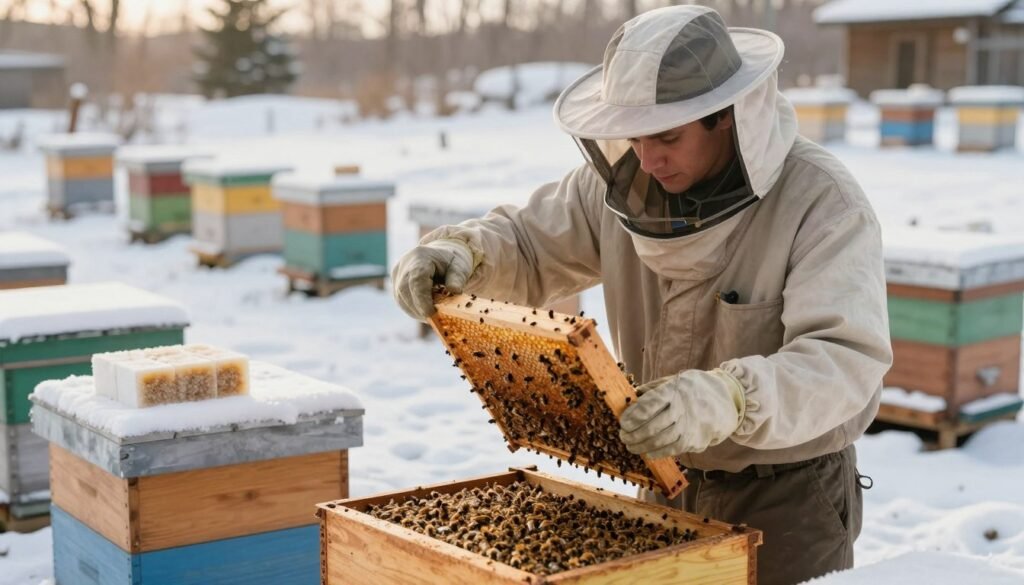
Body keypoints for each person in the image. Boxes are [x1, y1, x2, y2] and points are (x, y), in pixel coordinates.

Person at [391, 6, 892, 584]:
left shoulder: (822, 203)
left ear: (726, 116)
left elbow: (845, 362)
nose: (648, 160)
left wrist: (729, 398)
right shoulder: (621, 183)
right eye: (633, 137)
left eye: (668, 137)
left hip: (786, 497)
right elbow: (530, 243)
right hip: (663, 479)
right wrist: (468, 252)